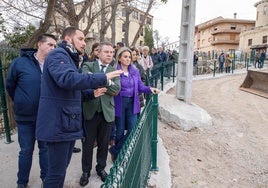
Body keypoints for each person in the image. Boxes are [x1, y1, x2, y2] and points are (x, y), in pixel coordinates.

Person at [35, 27, 123, 188]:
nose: (84, 43)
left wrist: (90, 94)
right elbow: (67, 79)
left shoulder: (70, 58)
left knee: (60, 171)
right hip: (58, 123)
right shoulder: (58, 55)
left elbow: (71, 91)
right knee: (56, 174)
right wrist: (102, 78)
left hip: (66, 123)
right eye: (81, 39)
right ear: (68, 39)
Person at [5, 34, 57, 188]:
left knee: (45, 150)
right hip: (25, 118)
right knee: (26, 151)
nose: (53, 48)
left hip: (46, 117)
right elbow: (10, 86)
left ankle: (46, 180)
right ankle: (22, 183)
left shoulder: (53, 65)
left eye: (55, 45)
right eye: (50, 44)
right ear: (39, 44)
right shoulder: (20, 63)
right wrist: (22, 101)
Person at [79, 41, 121, 186]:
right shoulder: (88, 65)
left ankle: (101, 168)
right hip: (90, 111)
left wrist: (99, 80)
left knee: (104, 144)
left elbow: (116, 90)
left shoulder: (113, 69)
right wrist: (106, 81)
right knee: (88, 144)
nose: (110, 55)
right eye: (106, 52)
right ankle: (85, 171)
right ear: (99, 52)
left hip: (107, 112)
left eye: (112, 53)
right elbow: (85, 82)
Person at [109, 47, 160, 161]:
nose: (128, 59)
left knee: (132, 129)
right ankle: (118, 155)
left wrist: (150, 89)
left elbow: (141, 87)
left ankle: (115, 150)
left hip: (133, 102)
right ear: (119, 58)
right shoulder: (114, 71)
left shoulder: (135, 71)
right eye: (125, 57)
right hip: (119, 102)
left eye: (129, 57)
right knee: (120, 130)